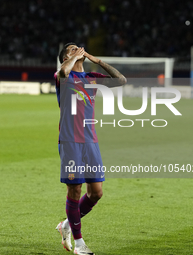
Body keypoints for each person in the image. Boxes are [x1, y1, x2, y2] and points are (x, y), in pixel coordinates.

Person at [54, 43, 126, 255]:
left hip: (91, 141)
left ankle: (66, 224)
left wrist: (99, 61)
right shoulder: (63, 77)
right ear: (66, 57)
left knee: (96, 193)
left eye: (79, 48)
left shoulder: (92, 77)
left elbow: (121, 81)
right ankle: (79, 244)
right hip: (70, 142)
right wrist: (73, 58)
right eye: (71, 49)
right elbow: (64, 70)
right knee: (75, 190)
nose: (78, 49)